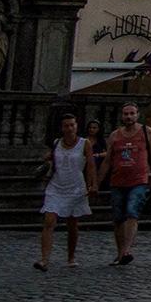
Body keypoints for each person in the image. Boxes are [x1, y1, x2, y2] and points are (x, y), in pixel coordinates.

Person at [37, 111, 95, 270]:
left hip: (75, 187)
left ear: (76, 126)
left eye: (72, 125)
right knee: (49, 221)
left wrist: (92, 184)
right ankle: (45, 260)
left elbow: (90, 165)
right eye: (66, 126)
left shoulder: (84, 143)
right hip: (56, 186)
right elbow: (55, 161)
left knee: (72, 224)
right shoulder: (57, 143)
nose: (70, 128)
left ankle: (71, 255)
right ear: (61, 128)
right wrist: (48, 158)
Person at [103, 103, 151, 265]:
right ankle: (120, 253)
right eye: (126, 114)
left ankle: (126, 250)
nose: (129, 117)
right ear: (121, 116)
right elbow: (107, 161)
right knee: (119, 218)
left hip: (139, 180)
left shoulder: (146, 132)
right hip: (118, 181)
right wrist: (95, 183)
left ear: (137, 115)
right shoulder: (115, 136)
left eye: (132, 113)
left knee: (132, 212)